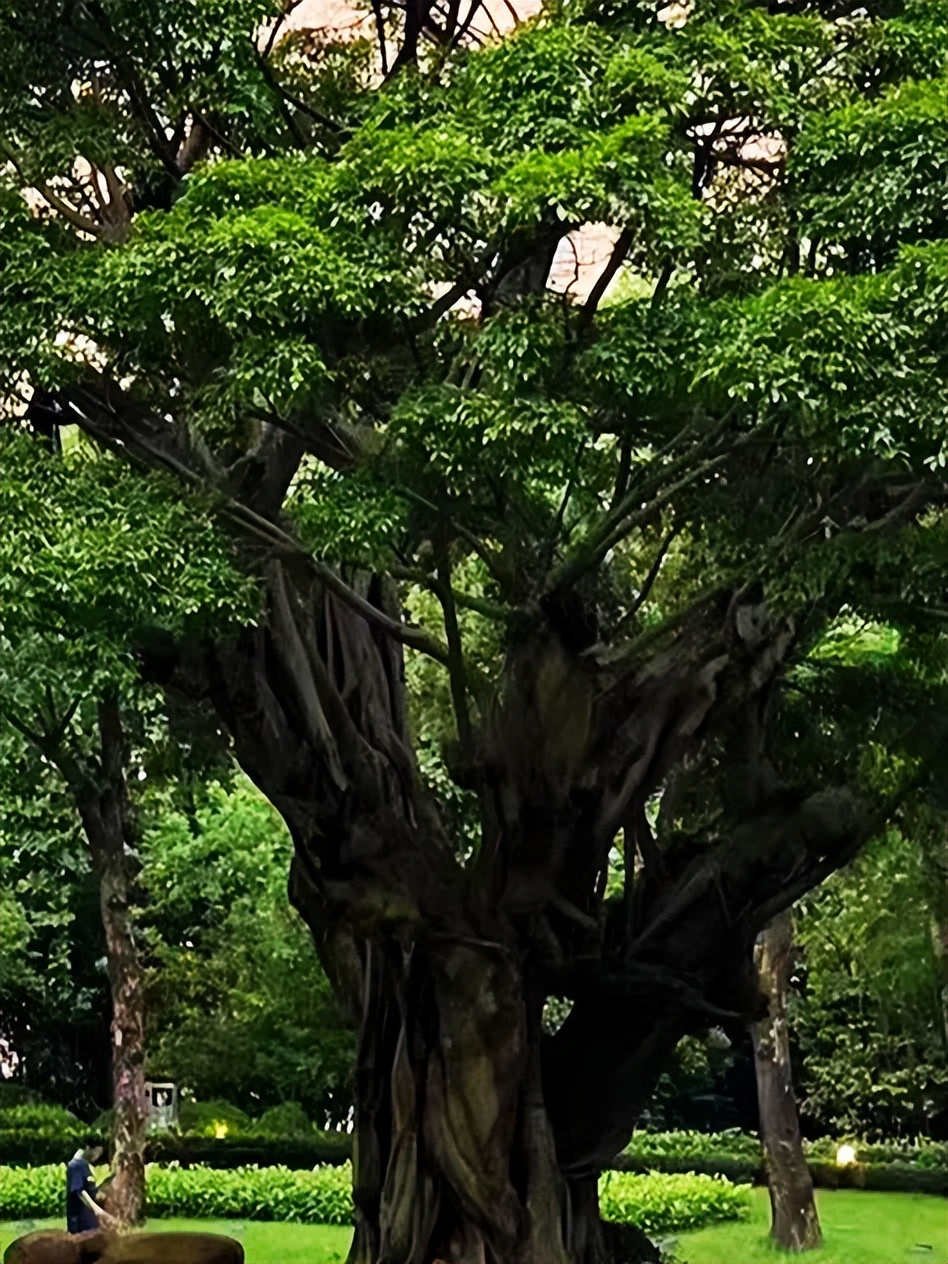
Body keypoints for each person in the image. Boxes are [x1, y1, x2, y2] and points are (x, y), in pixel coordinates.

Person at [64, 1146, 112, 1235]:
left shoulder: (83, 1165)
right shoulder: (76, 1165)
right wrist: (97, 1210)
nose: (97, 1156)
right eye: (97, 1152)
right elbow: (79, 1191)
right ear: (88, 1148)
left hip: (89, 1219)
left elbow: (88, 1187)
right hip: (81, 1220)